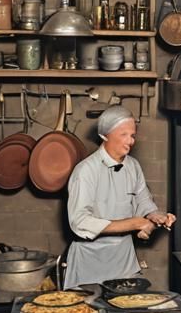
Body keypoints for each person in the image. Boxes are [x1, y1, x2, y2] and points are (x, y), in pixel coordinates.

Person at [64, 105, 175, 288]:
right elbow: (79, 221)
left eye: (132, 135)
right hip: (89, 263)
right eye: (123, 135)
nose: (130, 141)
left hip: (123, 261)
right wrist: (135, 223)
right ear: (105, 135)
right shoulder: (85, 171)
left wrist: (156, 216)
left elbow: (143, 201)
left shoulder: (133, 166)